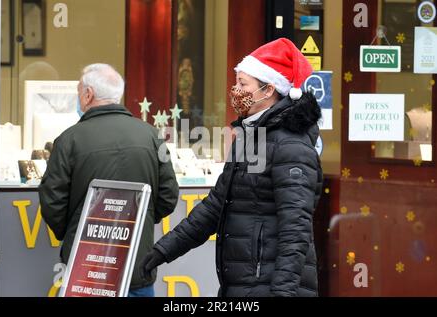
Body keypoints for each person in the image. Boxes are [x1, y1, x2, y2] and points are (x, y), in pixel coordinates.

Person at [139, 38, 323, 297]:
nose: (235, 90)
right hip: (242, 284)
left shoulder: (291, 145)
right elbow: (216, 206)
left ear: (268, 89)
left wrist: (283, 292)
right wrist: (162, 250)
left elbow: (296, 228)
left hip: (268, 287)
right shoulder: (252, 136)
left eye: (242, 83)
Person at [39, 63, 179, 297]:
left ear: (88, 94)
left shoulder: (68, 140)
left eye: (78, 92)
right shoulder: (152, 135)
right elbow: (169, 196)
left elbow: (52, 200)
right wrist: (139, 223)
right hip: (137, 263)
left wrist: (71, 233)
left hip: (86, 269)